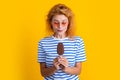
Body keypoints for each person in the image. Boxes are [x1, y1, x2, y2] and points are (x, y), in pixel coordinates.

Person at [38, 3, 86, 80]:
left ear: (69, 23)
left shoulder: (78, 41)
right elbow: (43, 72)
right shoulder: (43, 43)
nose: (60, 26)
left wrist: (65, 68)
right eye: (56, 22)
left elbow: (78, 70)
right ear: (51, 23)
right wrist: (54, 68)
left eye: (64, 22)